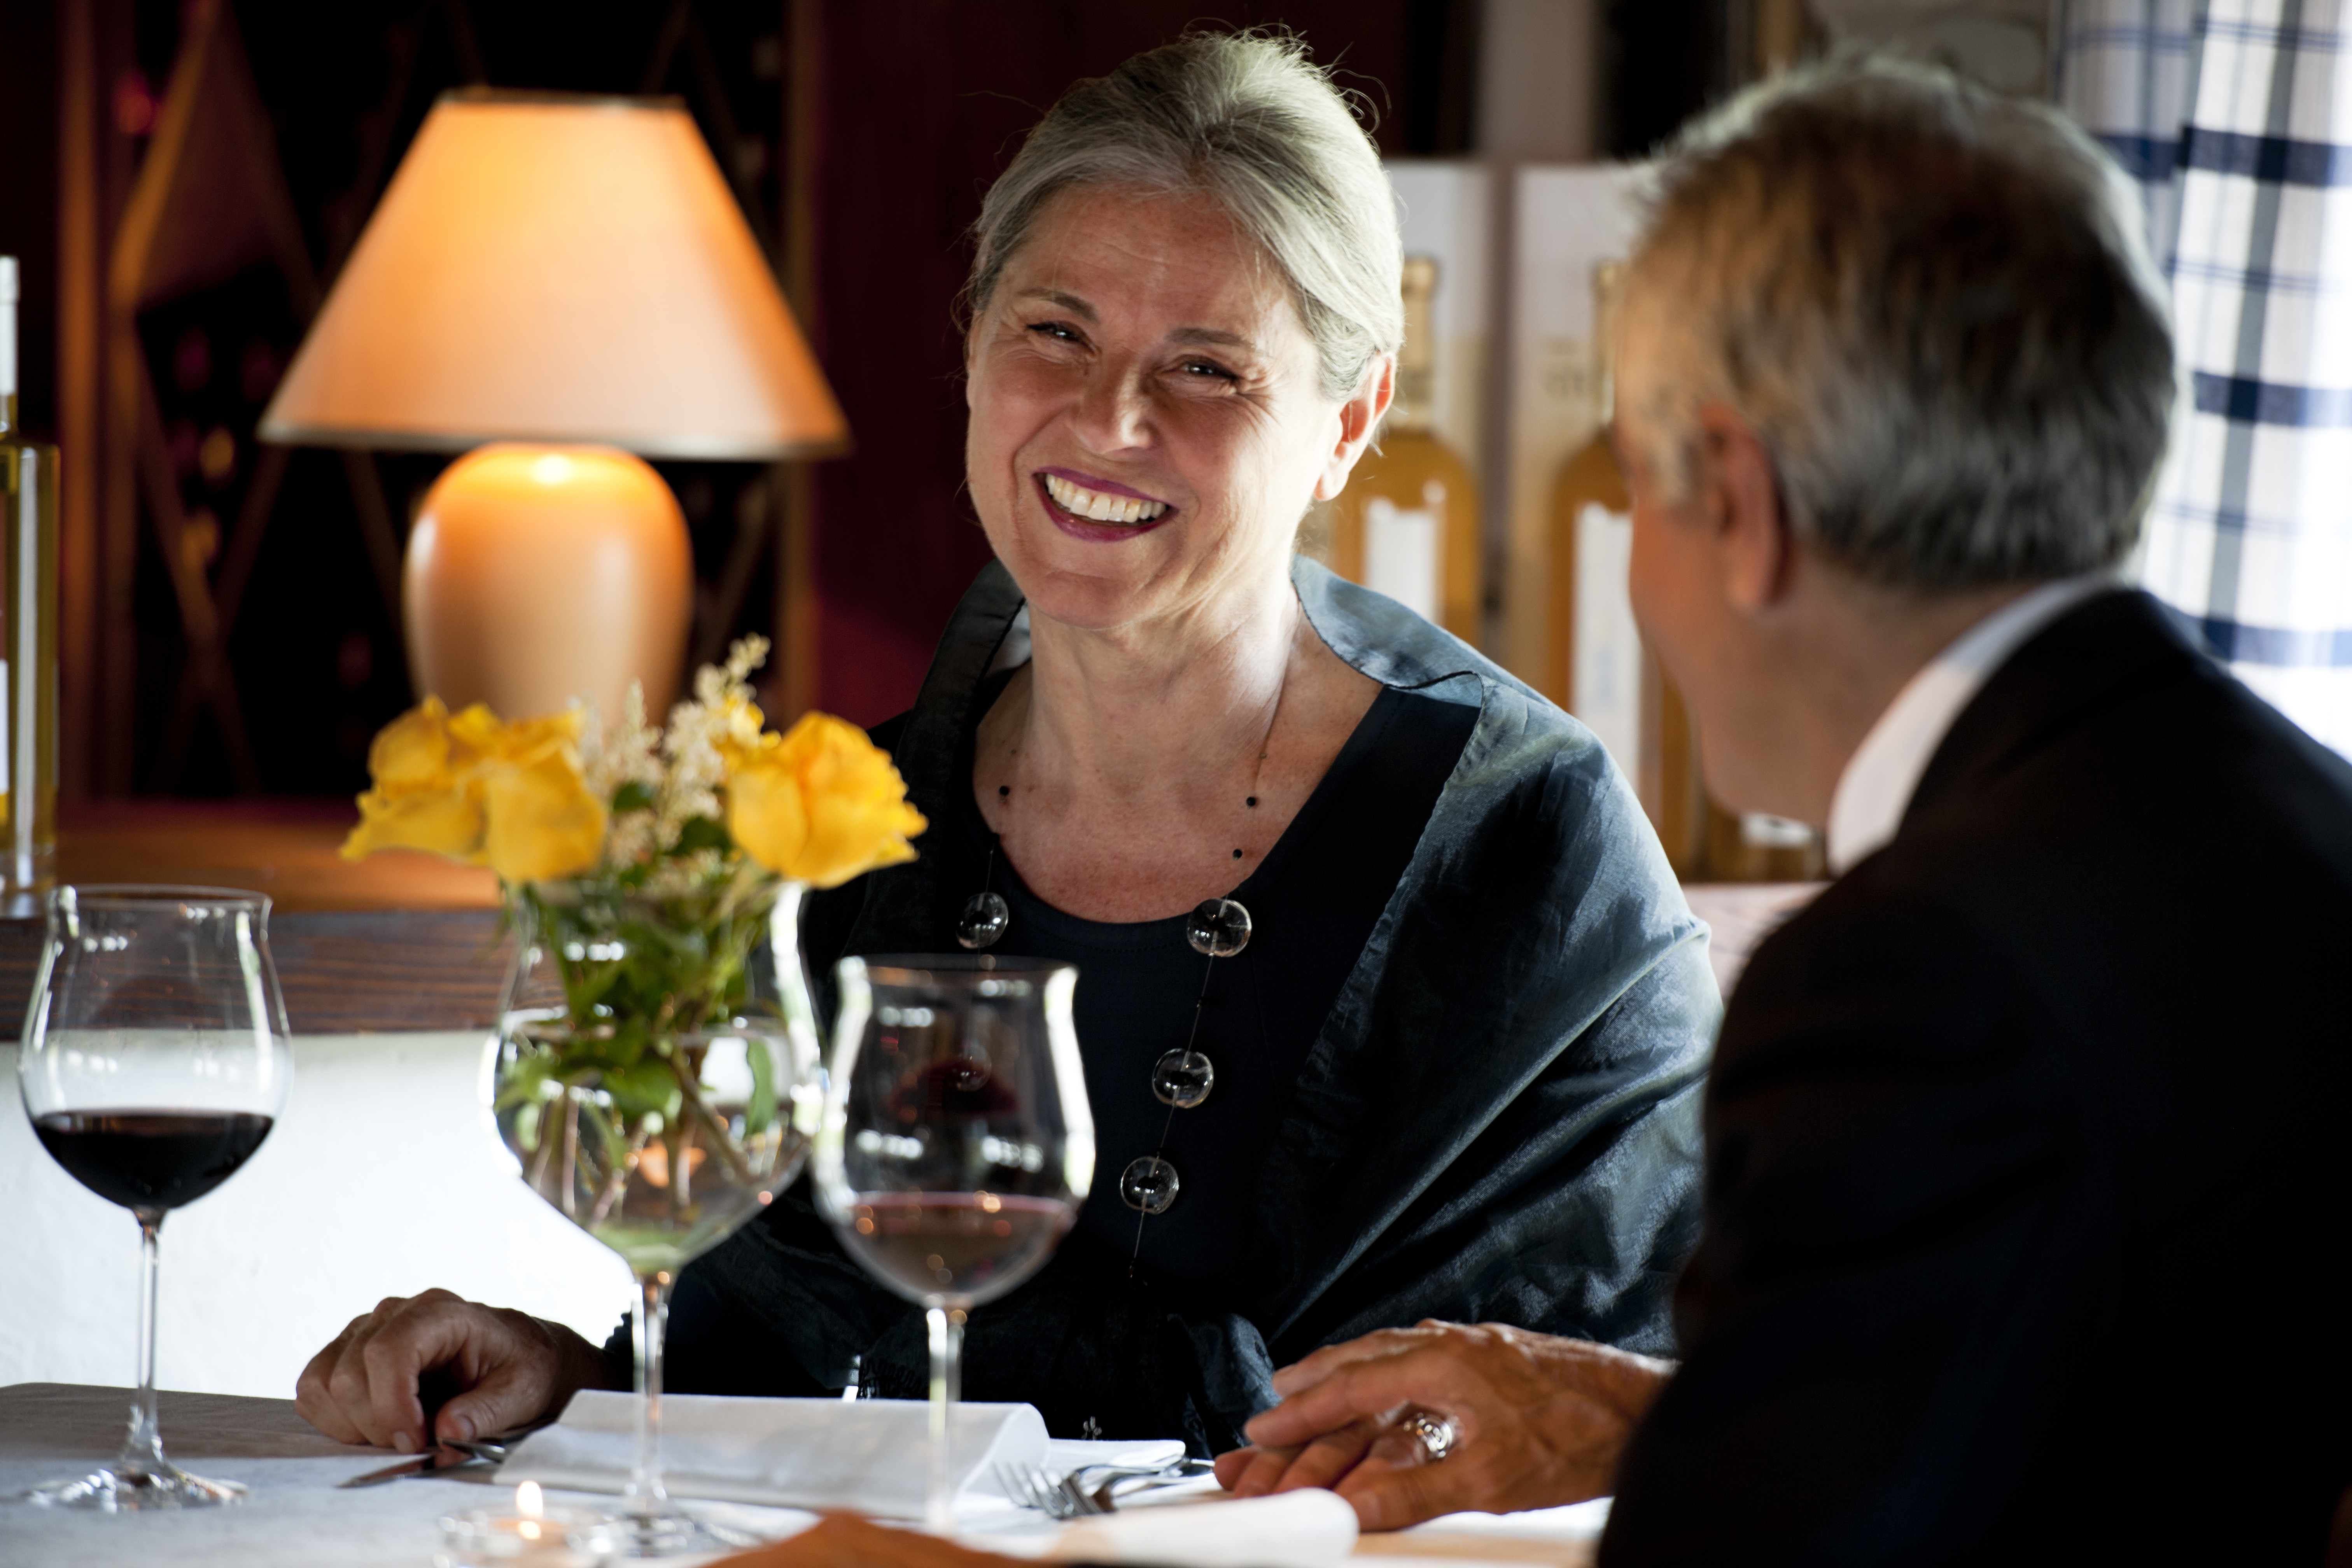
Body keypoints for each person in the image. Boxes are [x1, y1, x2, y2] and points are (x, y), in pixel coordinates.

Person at [295, 31, 1718, 1461]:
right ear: (972, 343)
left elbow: (1636, 1416)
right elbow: (786, 1357)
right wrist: (572, 1379)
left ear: (1351, 421)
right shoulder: (846, 828)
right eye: (1056, 332)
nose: (1109, 420)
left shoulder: (1531, 852)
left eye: (1208, 368)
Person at [1216, 56, 2352, 1564]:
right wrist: (1655, 1413)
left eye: (1633, 484)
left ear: (1739, 508)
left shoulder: (1915, 980)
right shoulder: (2296, 826)